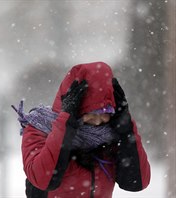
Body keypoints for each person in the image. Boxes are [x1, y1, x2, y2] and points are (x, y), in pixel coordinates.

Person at [12, 62, 150, 198]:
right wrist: (66, 124)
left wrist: (126, 130)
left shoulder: (110, 136)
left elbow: (136, 182)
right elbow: (43, 179)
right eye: (90, 113)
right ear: (76, 108)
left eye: (105, 113)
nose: (97, 121)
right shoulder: (40, 127)